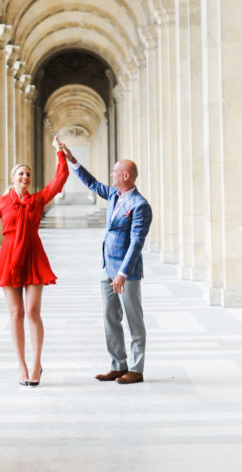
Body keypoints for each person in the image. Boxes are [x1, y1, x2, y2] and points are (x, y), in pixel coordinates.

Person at [0, 136, 68, 386]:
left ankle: (37, 364)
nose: (25, 178)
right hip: (9, 257)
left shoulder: (38, 200)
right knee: (16, 313)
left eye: (27, 175)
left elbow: (59, 181)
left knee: (32, 312)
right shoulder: (2, 203)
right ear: (12, 178)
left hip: (33, 255)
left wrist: (59, 152)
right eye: (20, 174)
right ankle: (22, 366)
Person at [57, 141, 152, 384]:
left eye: (114, 172)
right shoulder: (113, 194)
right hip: (107, 268)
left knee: (134, 320)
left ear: (126, 176)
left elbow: (136, 242)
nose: (110, 175)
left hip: (126, 272)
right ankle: (118, 365)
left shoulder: (140, 206)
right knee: (110, 317)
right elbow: (92, 182)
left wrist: (122, 273)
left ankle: (137, 369)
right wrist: (71, 159)